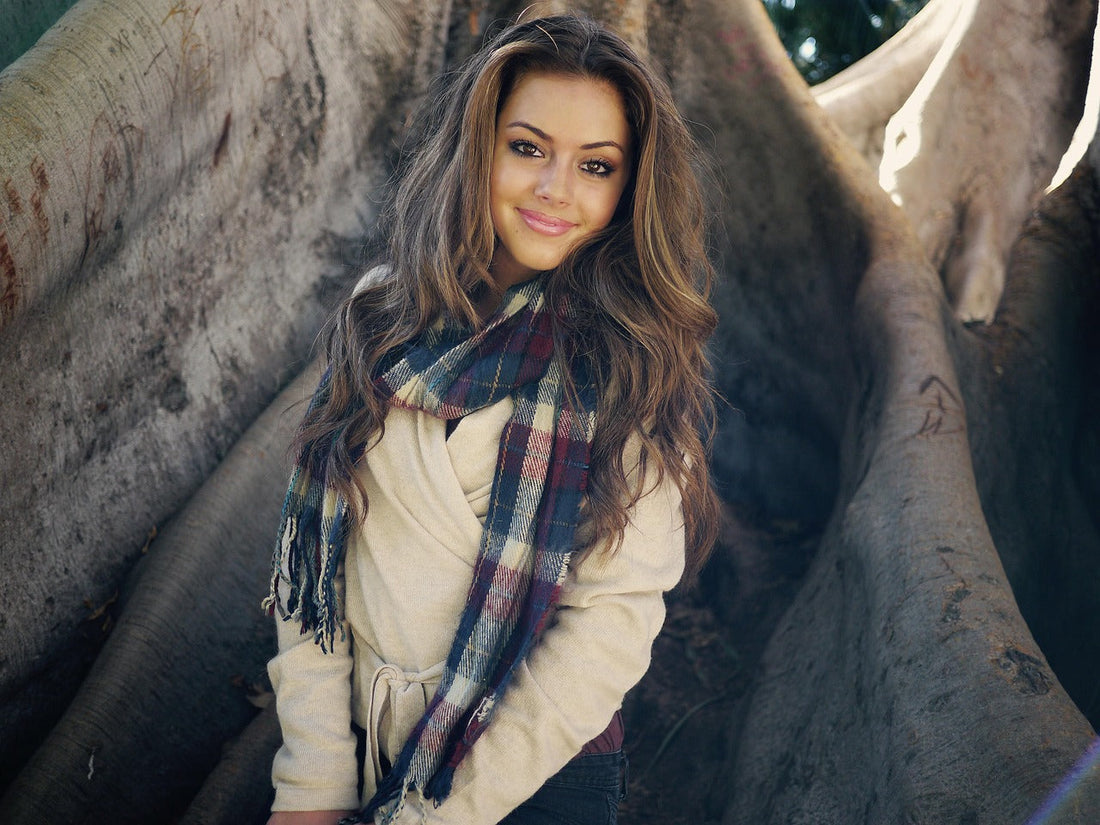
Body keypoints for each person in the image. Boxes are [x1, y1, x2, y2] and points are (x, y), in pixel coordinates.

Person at [263, 12, 720, 825]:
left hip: (533, 779)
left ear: (628, 187)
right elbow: (313, 579)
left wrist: (428, 815)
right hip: (366, 746)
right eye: (528, 147)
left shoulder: (629, 367)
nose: (556, 189)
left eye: (596, 165)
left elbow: (603, 638)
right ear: (480, 147)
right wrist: (312, 788)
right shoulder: (380, 319)